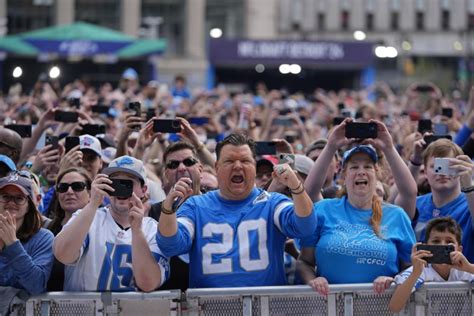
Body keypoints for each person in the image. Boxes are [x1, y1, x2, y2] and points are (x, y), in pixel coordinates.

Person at [156, 133, 316, 288]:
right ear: (217, 167)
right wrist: (168, 209)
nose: (238, 166)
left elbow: (306, 225)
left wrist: (295, 186)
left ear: (254, 166)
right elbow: (171, 245)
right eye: (229, 161)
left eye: (245, 161)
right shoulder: (195, 206)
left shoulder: (273, 203)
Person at [298, 119, 416, 296]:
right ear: (343, 175)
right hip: (331, 308)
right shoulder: (324, 210)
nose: (361, 171)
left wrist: (394, 280)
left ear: (377, 174)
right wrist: (313, 279)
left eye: (368, 166)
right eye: (354, 167)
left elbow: (412, 268)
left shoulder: (396, 215)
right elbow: (304, 261)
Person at [53, 156, 169, 292]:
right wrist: (93, 204)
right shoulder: (88, 217)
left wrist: (137, 231)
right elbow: (63, 254)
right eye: (115, 183)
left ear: (143, 190)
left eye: (127, 184)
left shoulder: (153, 229)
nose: (120, 189)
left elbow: (148, 284)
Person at [389, 217, 474, 313]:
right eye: (436, 241)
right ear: (426, 246)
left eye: (449, 242)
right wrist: (415, 273)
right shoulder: (419, 270)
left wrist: (470, 268)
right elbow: (394, 307)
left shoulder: (465, 271)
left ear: (459, 249)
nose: (442, 245)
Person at [410, 138, 474, 262]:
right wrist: (415, 161)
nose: (442, 173)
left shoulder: (470, 203)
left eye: (448, 166)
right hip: (421, 278)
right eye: (436, 167)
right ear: (425, 173)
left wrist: (469, 186)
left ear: (460, 168)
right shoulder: (415, 204)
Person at [0, 173, 54, 294]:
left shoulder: (44, 237)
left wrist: (13, 245)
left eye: (19, 198)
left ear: (29, 205)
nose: (11, 202)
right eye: (5, 197)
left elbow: (37, 285)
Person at [46, 167, 92, 291]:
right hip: (49, 306)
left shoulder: (102, 229)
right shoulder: (46, 230)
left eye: (77, 186)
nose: (69, 192)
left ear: (90, 193)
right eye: (63, 187)